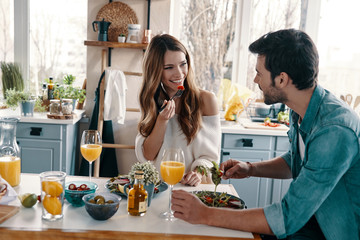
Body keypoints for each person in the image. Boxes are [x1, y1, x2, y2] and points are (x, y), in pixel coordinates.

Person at [171, 29, 360, 240]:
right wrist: (250, 169)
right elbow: (296, 161)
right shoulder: (300, 108)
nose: (254, 79)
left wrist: (205, 214)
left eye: (259, 73)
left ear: (281, 80)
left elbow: (286, 217)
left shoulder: (334, 130)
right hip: (308, 225)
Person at [135, 34, 221, 187]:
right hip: (158, 189)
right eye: (169, 67)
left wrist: (198, 174)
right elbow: (148, 155)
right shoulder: (152, 101)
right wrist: (162, 120)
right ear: (156, 72)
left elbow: (210, 158)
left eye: (183, 64)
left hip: (192, 190)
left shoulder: (206, 101)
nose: (179, 73)